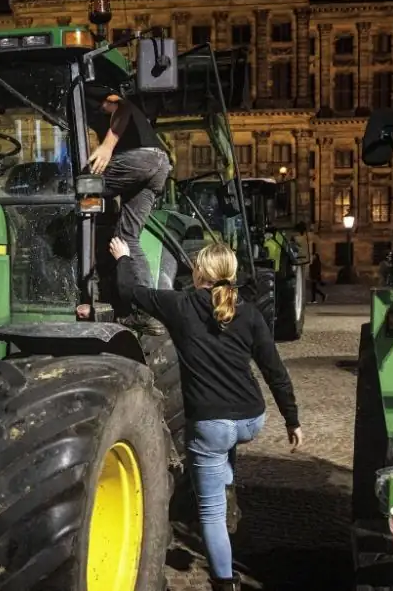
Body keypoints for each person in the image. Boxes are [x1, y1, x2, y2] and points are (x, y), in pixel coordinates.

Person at [111, 237, 302, 591]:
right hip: (251, 419)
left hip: (212, 424)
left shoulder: (181, 305)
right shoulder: (250, 314)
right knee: (224, 443)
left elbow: (128, 291)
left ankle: (224, 582)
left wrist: (123, 257)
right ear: (230, 274)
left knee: (210, 511)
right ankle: (225, 477)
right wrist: (293, 420)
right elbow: (274, 370)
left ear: (198, 272)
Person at [85, 88, 172, 335]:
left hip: (141, 158)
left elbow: (121, 106)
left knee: (79, 189)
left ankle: (80, 287)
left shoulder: (89, 94)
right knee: (127, 238)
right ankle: (146, 312)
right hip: (159, 164)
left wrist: (106, 147)